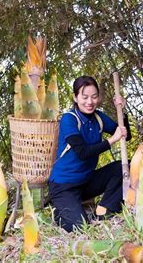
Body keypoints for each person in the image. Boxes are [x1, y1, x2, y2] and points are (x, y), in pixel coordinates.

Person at [48, 75, 131, 233]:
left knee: (124, 167)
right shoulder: (69, 119)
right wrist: (112, 140)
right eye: (84, 97)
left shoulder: (98, 117)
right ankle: (61, 212)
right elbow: (83, 152)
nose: (90, 102)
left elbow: (125, 136)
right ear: (75, 97)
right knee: (81, 228)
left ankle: (104, 210)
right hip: (63, 186)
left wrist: (123, 111)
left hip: (86, 182)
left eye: (94, 97)